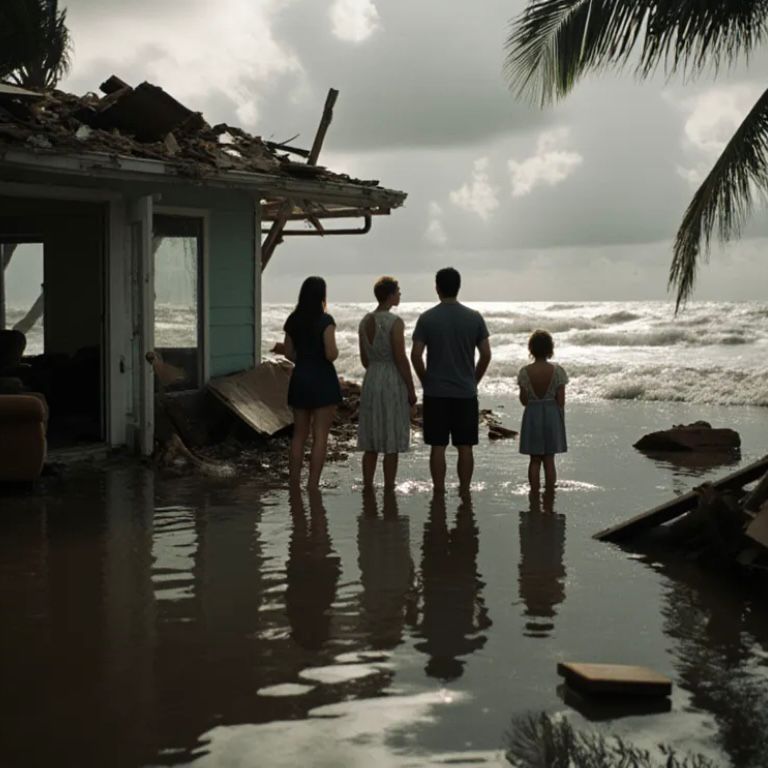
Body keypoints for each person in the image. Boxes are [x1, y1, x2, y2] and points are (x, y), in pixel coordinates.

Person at [411, 267, 491, 494]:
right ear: (458, 287)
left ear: (437, 288)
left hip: (436, 391)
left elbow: (416, 355)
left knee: (438, 446)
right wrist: (474, 380)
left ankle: (438, 489)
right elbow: (486, 354)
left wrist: (426, 380)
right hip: (465, 391)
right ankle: (464, 489)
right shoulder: (474, 317)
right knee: (465, 446)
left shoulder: (427, 318)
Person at [357, 276, 417, 489]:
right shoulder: (395, 322)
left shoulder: (365, 321)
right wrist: (411, 389)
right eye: (398, 291)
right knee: (390, 439)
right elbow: (401, 358)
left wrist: (376, 367)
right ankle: (389, 487)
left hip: (372, 377)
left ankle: (367, 485)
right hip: (391, 378)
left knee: (371, 438)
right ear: (390, 295)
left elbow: (364, 359)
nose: (400, 294)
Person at [282, 276, 342, 489]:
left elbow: (288, 352)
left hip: (300, 378)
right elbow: (331, 354)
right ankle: (312, 484)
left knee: (299, 435)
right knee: (320, 436)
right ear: (322, 296)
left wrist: (304, 359)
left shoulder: (293, 320)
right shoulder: (325, 321)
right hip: (322, 380)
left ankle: (294, 482)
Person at [517, 329, 568, 491]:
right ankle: (550, 491)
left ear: (531, 349)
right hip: (551, 414)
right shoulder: (558, 371)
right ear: (550, 349)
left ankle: (534, 491)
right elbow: (561, 400)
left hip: (532, 414)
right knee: (549, 459)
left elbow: (524, 400)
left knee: (534, 459)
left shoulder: (524, 372)